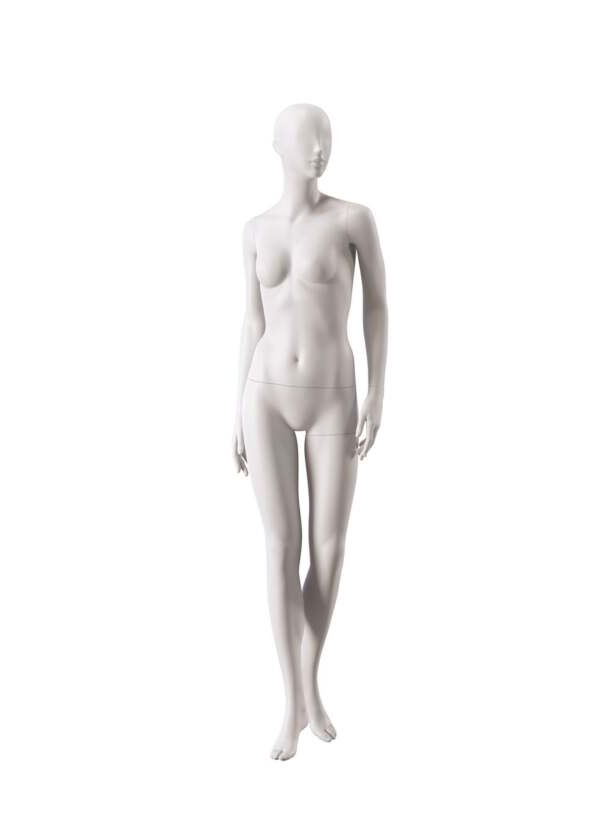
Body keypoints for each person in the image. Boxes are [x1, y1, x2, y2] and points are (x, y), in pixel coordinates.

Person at [232, 103, 388, 760]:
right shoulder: (255, 230)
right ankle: (293, 700)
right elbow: (251, 319)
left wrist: (378, 391)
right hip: (265, 396)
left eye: (324, 136)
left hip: (332, 397)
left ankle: (310, 682)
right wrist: (233, 408)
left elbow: (378, 304)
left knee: (329, 549)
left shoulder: (353, 220)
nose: (318, 148)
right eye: (304, 138)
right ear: (277, 147)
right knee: (280, 546)